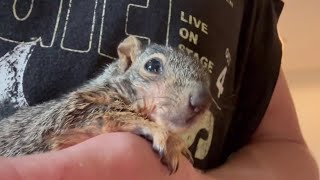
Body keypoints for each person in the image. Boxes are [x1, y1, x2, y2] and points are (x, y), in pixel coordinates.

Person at [0, 0, 318, 179]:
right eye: (153, 68)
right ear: (126, 61)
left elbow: (283, 144)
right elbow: (69, 121)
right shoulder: (103, 99)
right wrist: (139, 125)